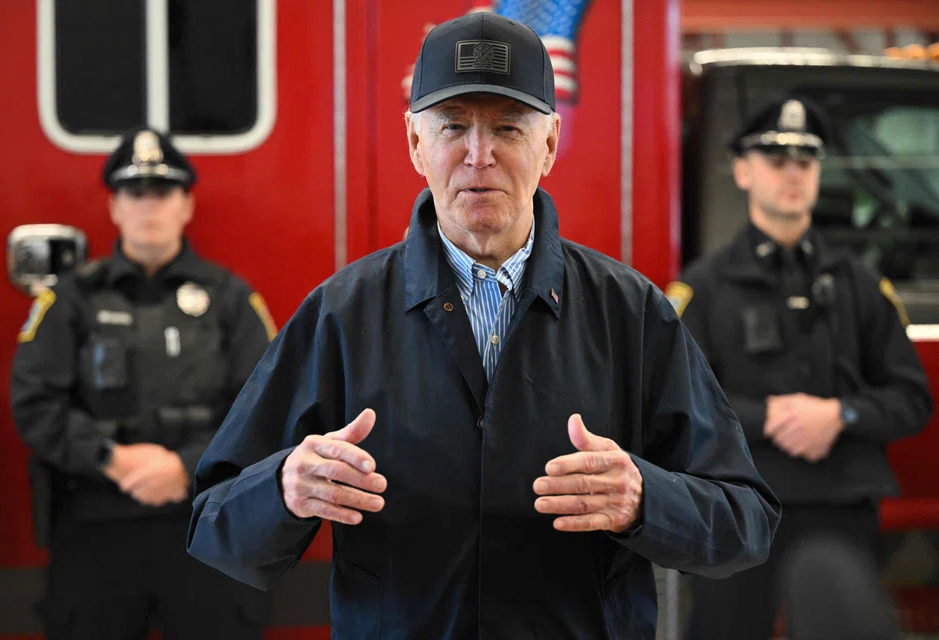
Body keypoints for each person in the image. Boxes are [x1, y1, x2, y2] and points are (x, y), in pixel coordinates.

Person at [188, 12, 780, 639]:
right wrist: (283, 488)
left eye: (507, 127)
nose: (479, 155)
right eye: (452, 127)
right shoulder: (341, 314)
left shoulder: (630, 313)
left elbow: (746, 522)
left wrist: (644, 500)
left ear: (548, 144)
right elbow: (215, 526)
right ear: (416, 145)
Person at [670, 96, 933, 640]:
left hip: (837, 510)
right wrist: (771, 417)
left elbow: (912, 400)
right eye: (776, 159)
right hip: (736, 511)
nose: (793, 173)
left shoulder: (860, 284)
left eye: (806, 161)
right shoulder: (705, 288)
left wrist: (840, 416)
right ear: (743, 170)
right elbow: (677, 407)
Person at [11, 128, 277, 640]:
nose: (148, 207)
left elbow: (264, 407)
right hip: (96, 525)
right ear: (114, 207)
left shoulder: (230, 301)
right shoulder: (71, 301)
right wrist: (113, 458)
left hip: (207, 526)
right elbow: (34, 402)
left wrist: (183, 465)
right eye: (135, 194)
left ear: (186, 205)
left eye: (163, 193)